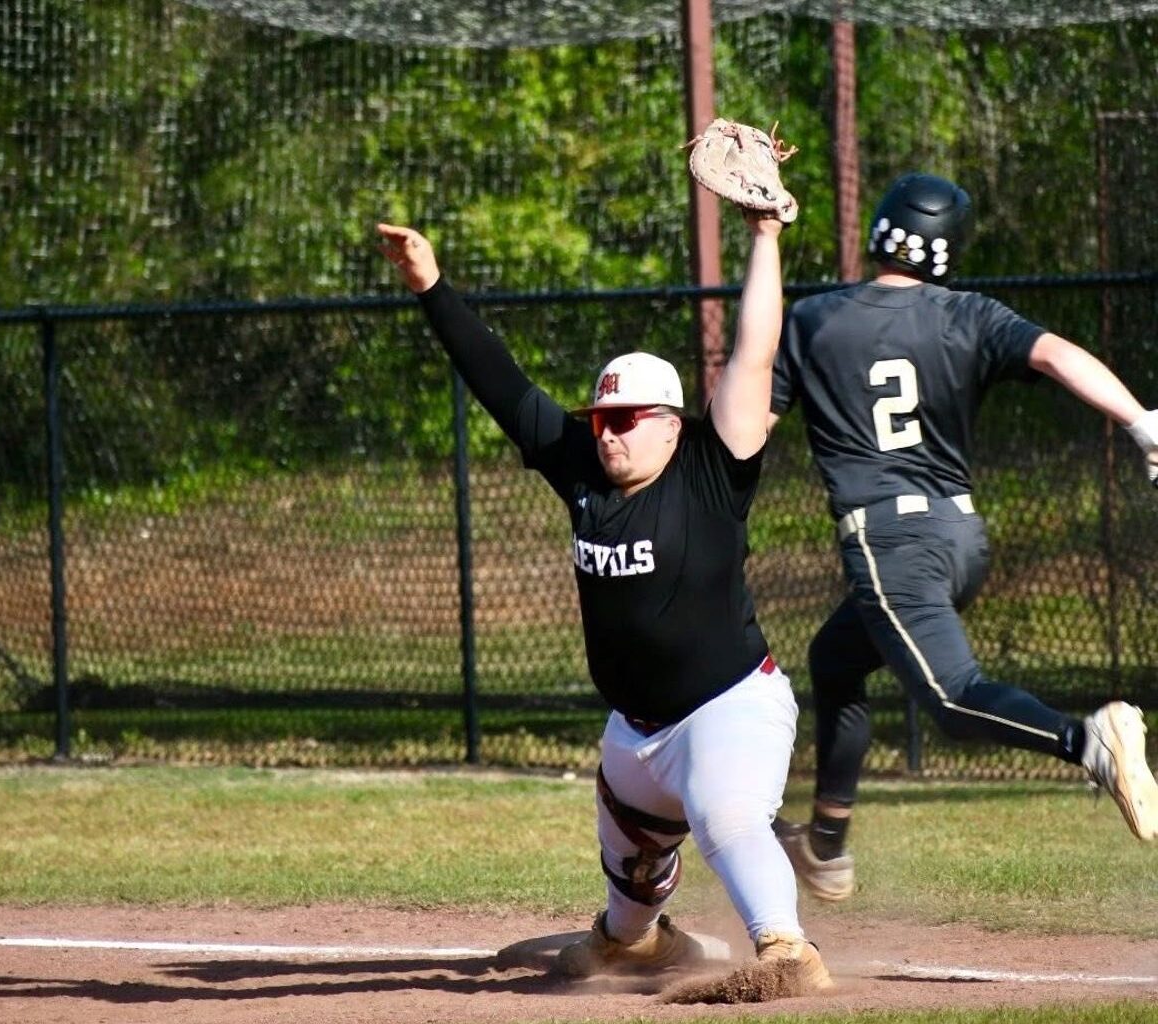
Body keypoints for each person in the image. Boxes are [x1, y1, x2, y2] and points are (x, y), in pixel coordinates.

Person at [377, 213, 833, 997]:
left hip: (729, 709)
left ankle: (788, 954)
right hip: (636, 739)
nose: (607, 433)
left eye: (624, 420)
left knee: (728, 818)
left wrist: (764, 237)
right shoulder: (583, 471)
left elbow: (754, 353)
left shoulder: (709, 469)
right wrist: (430, 286)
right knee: (623, 923)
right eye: (599, 420)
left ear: (668, 425)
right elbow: (499, 381)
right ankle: (641, 941)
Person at [767, 172, 1158, 902]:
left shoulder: (815, 319)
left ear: (881, 229)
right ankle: (825, 844)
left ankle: (1087, 743)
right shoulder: (970, 313)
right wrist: (1142, 423)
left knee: (951, 699)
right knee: (835, 659)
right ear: (948, 251)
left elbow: (750, 428)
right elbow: (1058, 354)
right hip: (960, 540)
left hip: (890, 544)